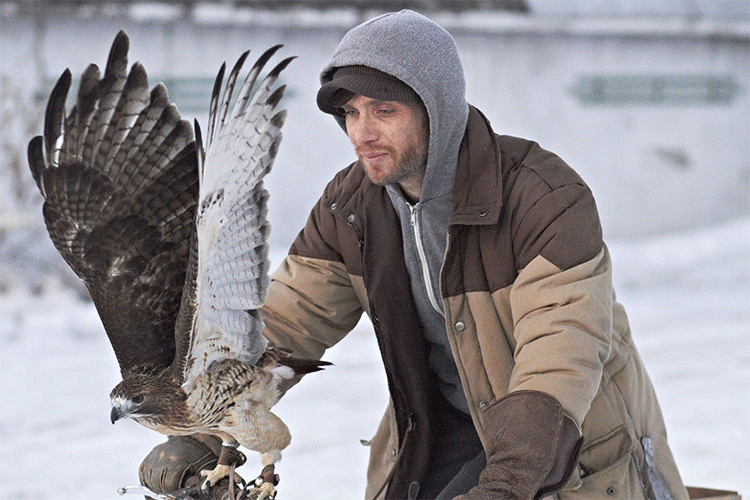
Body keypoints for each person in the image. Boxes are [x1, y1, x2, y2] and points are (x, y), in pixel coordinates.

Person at [140, 9, 689, 500]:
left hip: (557, 444)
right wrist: (200, 431)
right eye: (351, 113)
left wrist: (505, 487)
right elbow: (284, 324)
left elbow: (559, 358)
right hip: (436, 430)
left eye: (384, 110)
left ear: (437, 109)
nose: (362, 133)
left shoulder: (542, 196)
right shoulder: (350, 206)